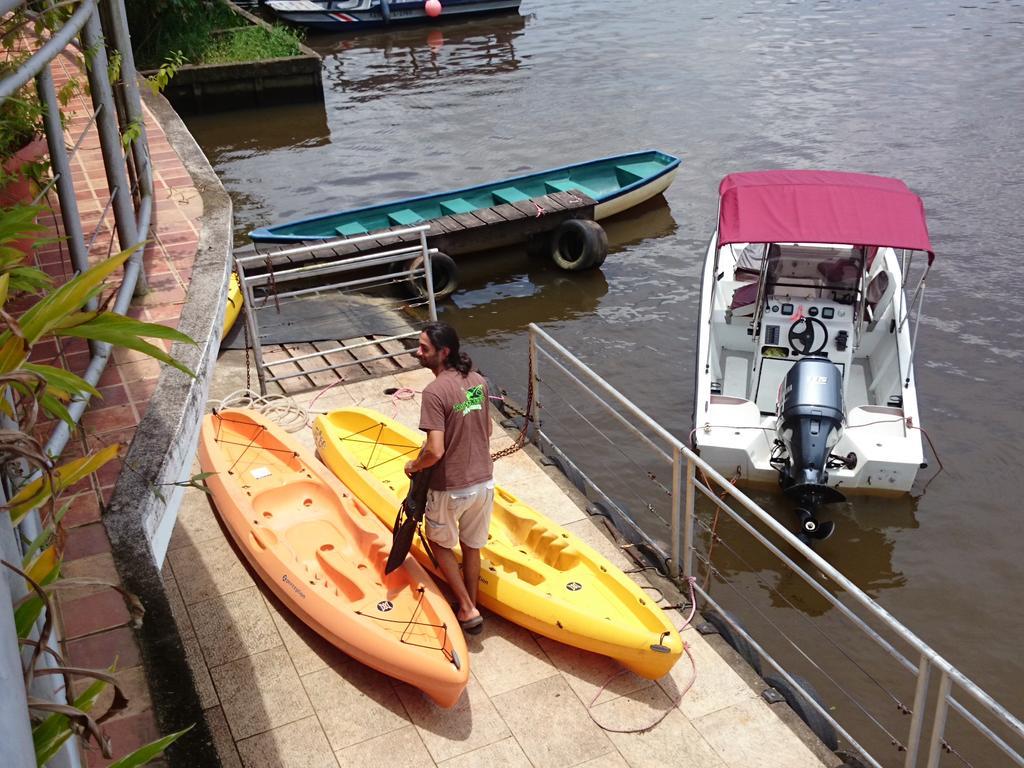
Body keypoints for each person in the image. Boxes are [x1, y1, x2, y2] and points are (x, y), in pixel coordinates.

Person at [404, 322, 493, 634]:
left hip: (450, 488)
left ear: (444, 352)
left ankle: (466, 608)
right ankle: (474, 603)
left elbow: (435, 451)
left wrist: (414, 466)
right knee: (471, 545)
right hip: (483, 483)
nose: (418, 352)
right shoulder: (476, 382)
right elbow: (485, 429)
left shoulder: (434, 392)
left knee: (439, 542)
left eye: (424, 348)